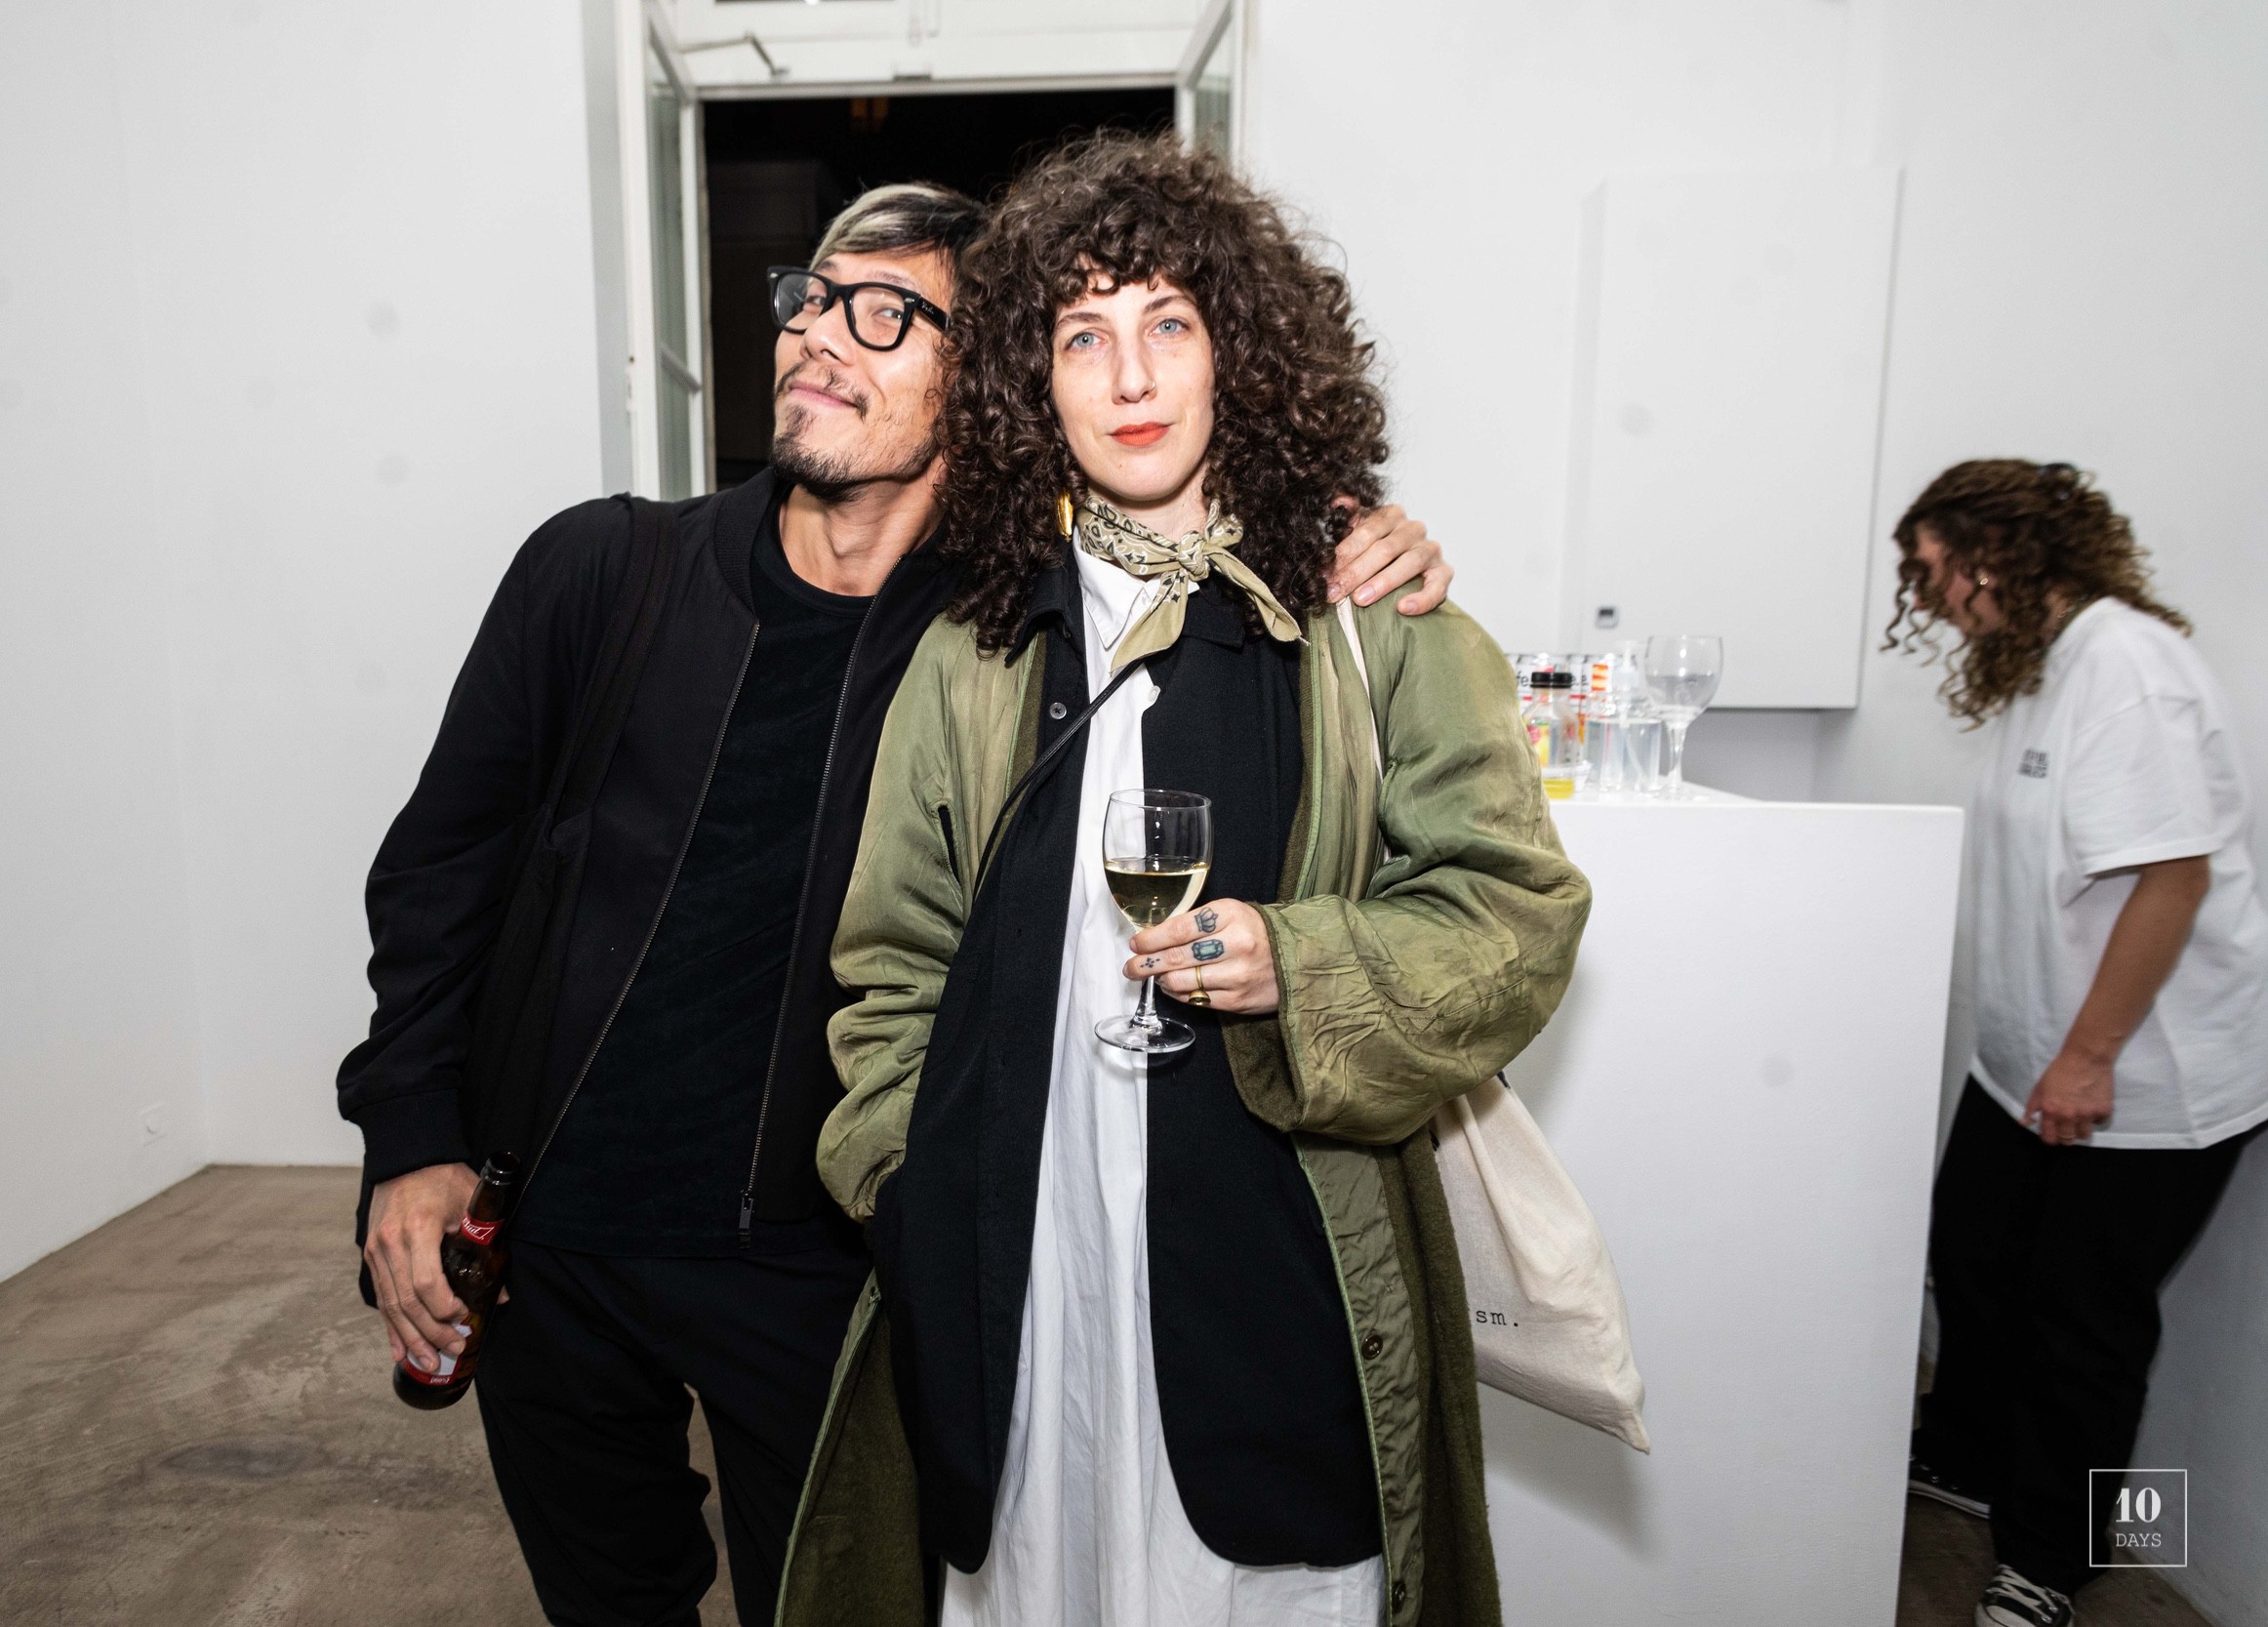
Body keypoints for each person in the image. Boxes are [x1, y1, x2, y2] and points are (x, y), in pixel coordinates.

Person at [336, 178, 1459, 1627]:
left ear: (979, 384)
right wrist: (412, 1140)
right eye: (809, 297)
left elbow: (1188, 542)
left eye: (884, 314)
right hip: (550, 1242)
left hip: (820, 1273)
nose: (818, 334)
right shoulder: (603, 570)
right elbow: (438, 870)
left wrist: (1353, 535)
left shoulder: (1002, 640)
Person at [778, 135, 1591, 1627]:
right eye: (1083, 336)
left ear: (1242, 350)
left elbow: (1514, 909)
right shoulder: (973, 644)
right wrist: (908, 1190)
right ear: (1032, 380)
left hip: (1276, 1269)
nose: (1132, 374)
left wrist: (1306, 963)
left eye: (1169, 321)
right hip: (1023, 1278)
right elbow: (890, 956)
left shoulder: (1374, 621)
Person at [1889, 461, 2268, 1627]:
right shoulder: (2038, 667)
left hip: (2142, 1075)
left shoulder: (2127, 670)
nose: (1929, 598)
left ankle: (2049, 1561)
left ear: (1996, 552)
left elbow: (2171, 877)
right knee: (1972, 1257)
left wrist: (2089, 1056)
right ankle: (1970, 1457)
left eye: (1934, 570)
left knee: (2082, 1326)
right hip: (2024, 1064)